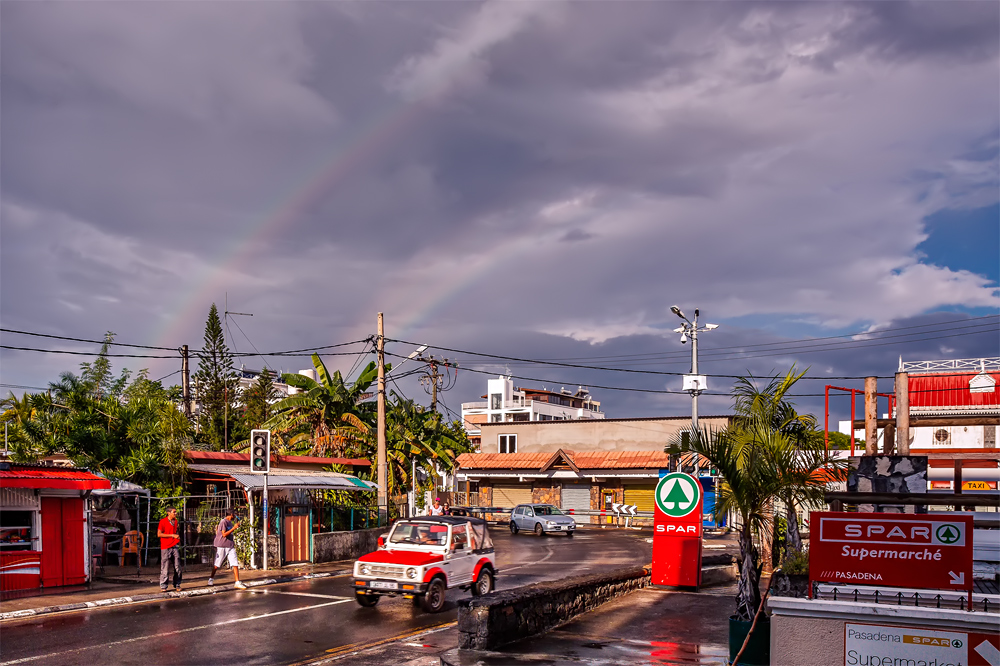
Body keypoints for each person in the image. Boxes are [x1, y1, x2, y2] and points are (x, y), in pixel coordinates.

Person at [208, 510, 246, 589]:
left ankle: (237, 582)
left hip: (230, 545)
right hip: (222, 545)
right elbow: (224, 534)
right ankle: (211, 579)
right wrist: (234, 528)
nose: (235, 516)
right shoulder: (223, 522)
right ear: (231, 514)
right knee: (217, 564)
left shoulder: (230, 522)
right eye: (234, 514)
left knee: (235, 562)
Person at [157, 507, 182, 592]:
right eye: (174, 512)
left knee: (177, 565)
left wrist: (176, 537)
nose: (175, 513)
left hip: (174, 545)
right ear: (168, 513)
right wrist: (172, 535)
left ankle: (177, 584)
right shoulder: (163, 521)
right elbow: (159, 534)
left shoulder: (175, 521)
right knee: (165, 566)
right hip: (165, 546)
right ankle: (163, 585)